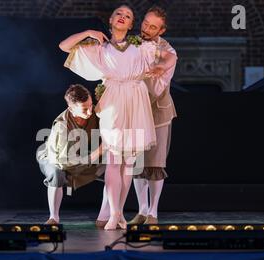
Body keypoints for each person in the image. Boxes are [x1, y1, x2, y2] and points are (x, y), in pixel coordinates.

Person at [59, 5, 176, 230]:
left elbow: (170, 56)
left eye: (128, 16)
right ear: (111, 20)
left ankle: (120, 213)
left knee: (129, 163)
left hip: (136, 100)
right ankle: (113, 214)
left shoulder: (140, 45)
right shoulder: (100, 47)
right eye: (119, 14)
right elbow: (64, 46)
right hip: (114, 101)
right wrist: (87, 33)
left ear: (131, 24)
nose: (123, 17)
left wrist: (161, 67)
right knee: (114, 159)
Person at [96, 6, 177, 227]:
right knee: (131, 162)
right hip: (131, 110)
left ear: (162, 30)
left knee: (155, 163)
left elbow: (158, 86)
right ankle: (135, 210)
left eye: (153, 27)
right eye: (145, 23)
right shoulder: (134, 43)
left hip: (156, 111)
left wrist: (140, 83)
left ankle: (153, 211)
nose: (147, 29)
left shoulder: (164, 49)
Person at [36, 84, 104, 224]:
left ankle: (105, 216)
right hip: (54, 157)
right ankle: (53, 217)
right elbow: (61, 160)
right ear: (71, 109)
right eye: (85, 109)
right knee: (57, 173)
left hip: (81, 154)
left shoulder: (94, 112)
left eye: (91, 105)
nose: (90, 111)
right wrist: (97, 153)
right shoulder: (62, 126)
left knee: (113, 167)